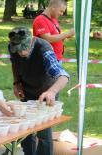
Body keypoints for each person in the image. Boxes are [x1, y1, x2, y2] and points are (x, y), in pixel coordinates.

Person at [8, 27, 69, 155]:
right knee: (25, 128)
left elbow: (63, 76)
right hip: (27, 89)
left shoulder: (44, 48)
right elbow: (15, 63)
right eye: (18, 50)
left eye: (23, 49)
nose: (21, 53)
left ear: (31, 42)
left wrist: (51, 92)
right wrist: (17, 82)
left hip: (47, 91)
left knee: (43, 131)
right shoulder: (13, 46)